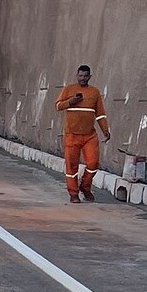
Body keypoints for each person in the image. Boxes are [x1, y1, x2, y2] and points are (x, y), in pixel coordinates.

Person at [55, 64, 111, 203]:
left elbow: (100, 114)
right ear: (77, 76)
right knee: (71, 165)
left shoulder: (95, 92)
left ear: (90, 76)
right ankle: (73, 193)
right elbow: (58, 105)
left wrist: (105, 130)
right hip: (71, 135)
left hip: (89, 135)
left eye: (86, 76)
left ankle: (85, 187)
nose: (83, 78)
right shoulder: (69, 89)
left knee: (93, 163)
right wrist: (70, 102)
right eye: (80, 76)